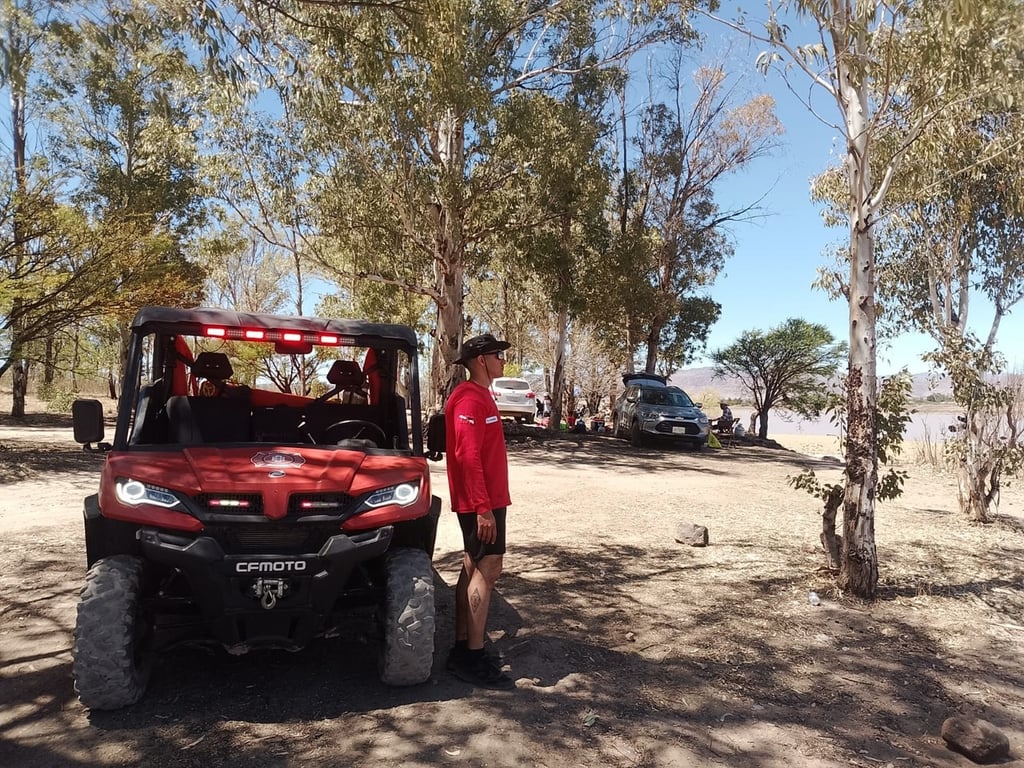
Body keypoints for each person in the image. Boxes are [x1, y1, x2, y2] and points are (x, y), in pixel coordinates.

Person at [444, 332, 516, 690]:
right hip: (482, 503)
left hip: (487, 500)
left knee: (473, 563)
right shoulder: (469, 399)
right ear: (481, 360)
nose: (503, 360)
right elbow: (466, 456)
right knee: (488, 568)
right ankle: (472, 656)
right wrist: (483, 508)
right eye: (498, 355)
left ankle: (463, 648)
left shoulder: (479, 396)